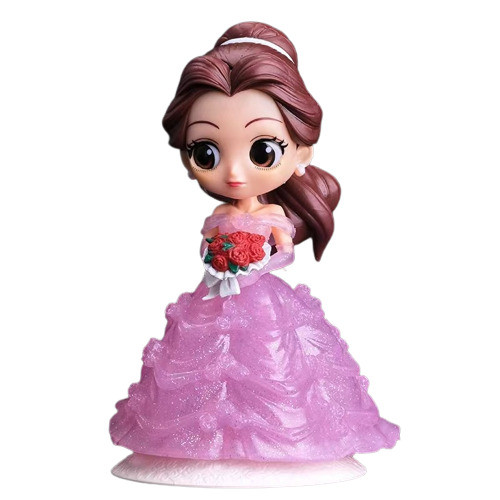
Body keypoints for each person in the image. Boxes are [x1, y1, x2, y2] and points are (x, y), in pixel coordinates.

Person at [110, 21, 399, 485]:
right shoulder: (219, 215)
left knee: (270, 365)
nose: (234, 172)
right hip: (213, 296)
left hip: (262, 300)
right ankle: (202, 446)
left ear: (300, 152)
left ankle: (275, 443)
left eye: (262, 151)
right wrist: (219, 265)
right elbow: (207, 248)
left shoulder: (272, 216)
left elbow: (283, 254)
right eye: (206, 152)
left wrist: (250, 266)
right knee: (202, 371)